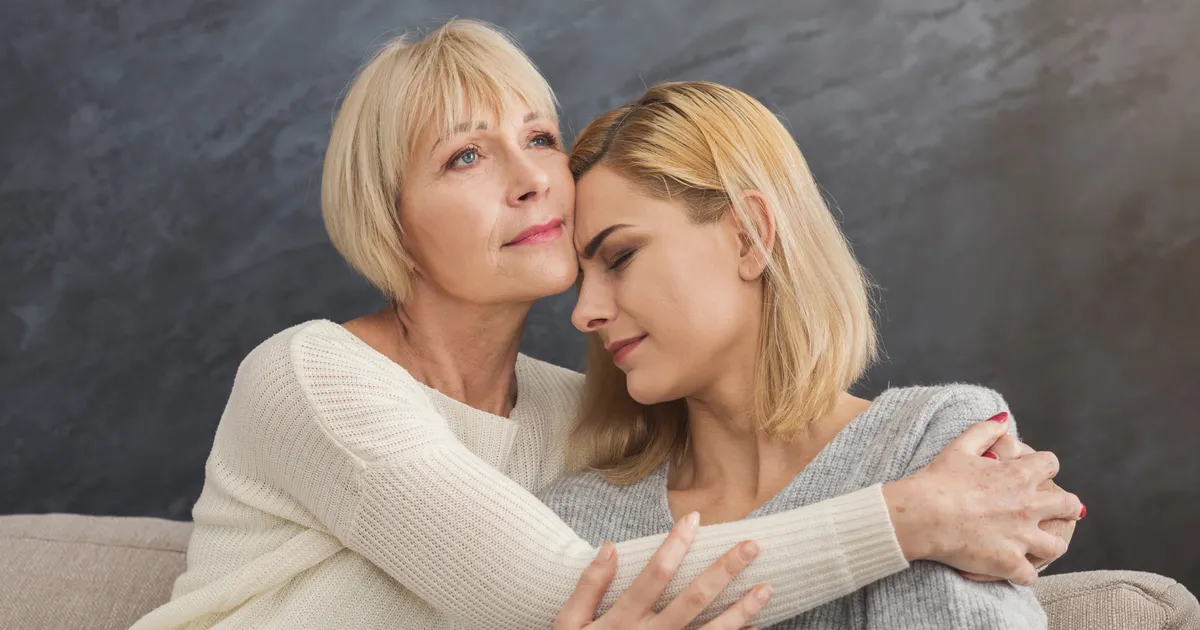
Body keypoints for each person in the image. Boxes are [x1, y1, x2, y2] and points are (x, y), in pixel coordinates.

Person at [132, 20, 1082, 630]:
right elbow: (557, 589)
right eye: (466, 155)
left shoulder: (579, 426)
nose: (532, 174)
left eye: (539, 136)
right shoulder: (313, 377)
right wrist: (916, 516)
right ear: (393, 222)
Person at [541, 80, 1081, 629]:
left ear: (750, 236)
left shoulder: (933, 441)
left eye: (621, 256)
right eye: (580, 278)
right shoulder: (577, 525)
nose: (584, 312)